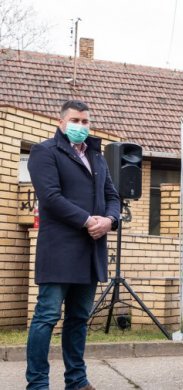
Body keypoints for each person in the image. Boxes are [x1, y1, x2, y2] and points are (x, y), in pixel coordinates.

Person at [26, 100, 121, 390]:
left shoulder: (97, 156)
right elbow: (51, 198)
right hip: (59, 251)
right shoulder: (44, 152)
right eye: (75, 121)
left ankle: (77, 380)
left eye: (85, 121)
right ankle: (38, 383)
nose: (81, 126)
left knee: (79, 319)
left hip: (90, 253)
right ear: (61, 122)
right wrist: (88, 221)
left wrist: (110, 221)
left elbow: (113, 196)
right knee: (47, 316)